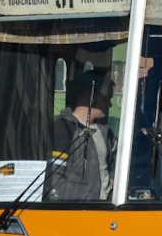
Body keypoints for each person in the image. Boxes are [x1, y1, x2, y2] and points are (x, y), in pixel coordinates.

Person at [47, 73, 115, 201]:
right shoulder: (63, 128)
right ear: (91, 97)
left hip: (106, 208)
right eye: (108, 98)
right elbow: (54, 179)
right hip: (79, 209)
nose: (110, 105)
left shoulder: (106, 132)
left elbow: (113, 168)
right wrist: (88, 199)